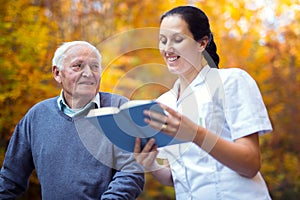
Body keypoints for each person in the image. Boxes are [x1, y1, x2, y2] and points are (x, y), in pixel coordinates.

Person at [134, 6, 273, 199]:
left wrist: (195, 134)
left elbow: (250, 164)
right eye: (163, 40)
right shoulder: (163, 103)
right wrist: (151, 164)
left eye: (177, 39)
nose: (167, 48)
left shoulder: (232, 81)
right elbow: (177, 177)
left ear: (202, 43)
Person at [0, 41, 144, 199]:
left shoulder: (120, 109)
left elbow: (131, 171)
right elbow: (10, 179)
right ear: (57, 73)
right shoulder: (37, 116)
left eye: (95, 66)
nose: (89, 73)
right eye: (78, 66)